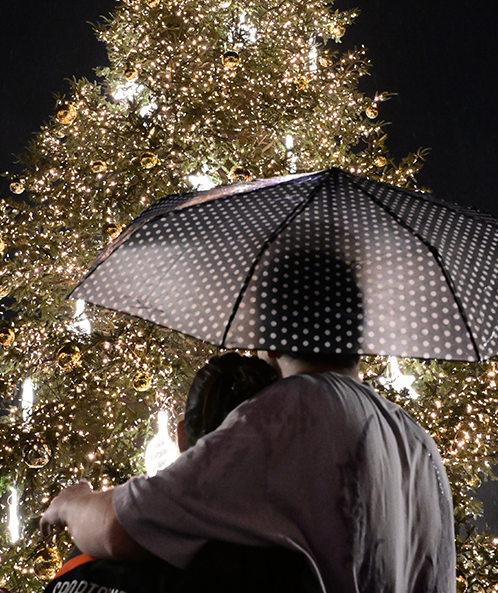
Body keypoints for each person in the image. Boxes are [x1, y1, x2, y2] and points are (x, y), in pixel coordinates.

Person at [41, 250, 457, 593]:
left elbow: (122, 527)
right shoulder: (418, 442)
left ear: (272, 338)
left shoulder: (289, 411)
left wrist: (72, 503)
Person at [45, 353, 316, 593]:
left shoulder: (86, 552)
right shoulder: (287, 556)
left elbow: (116, 527)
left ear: (181, 435)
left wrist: (72, 502)